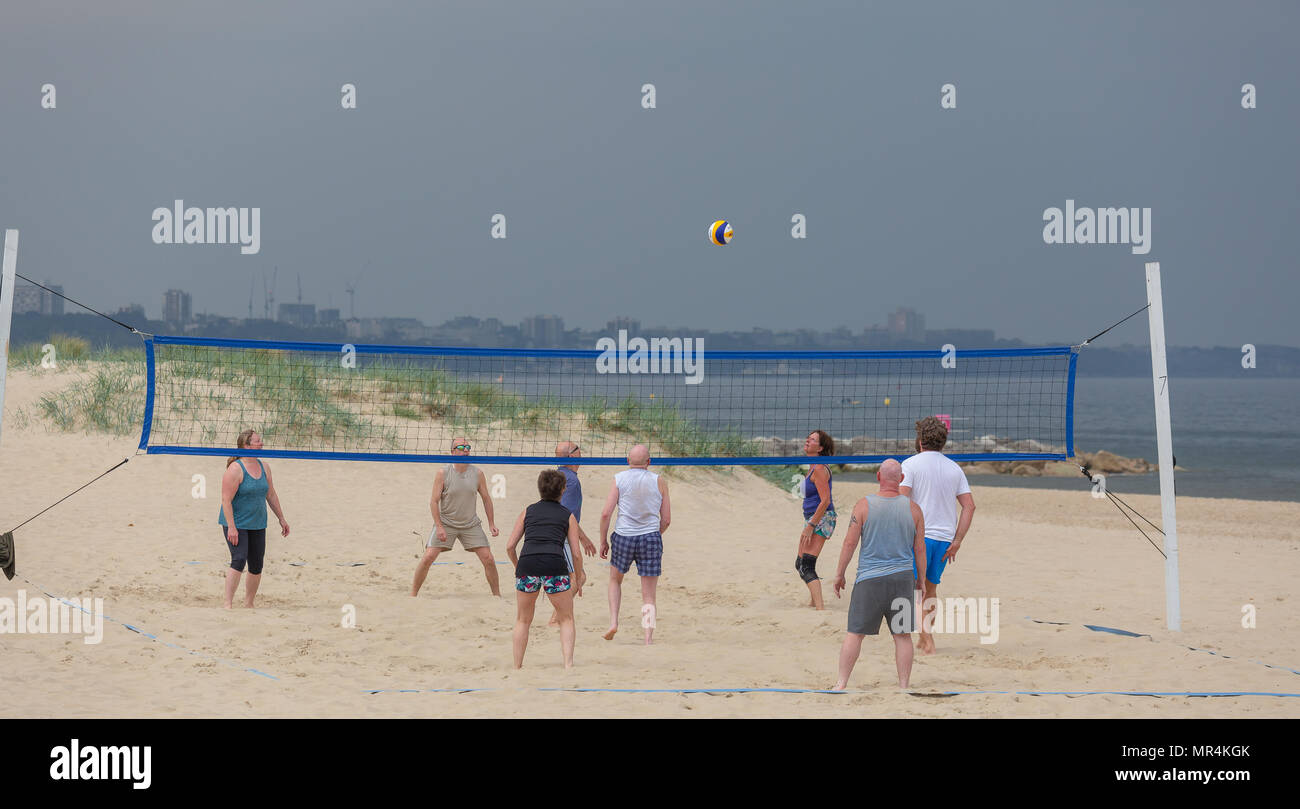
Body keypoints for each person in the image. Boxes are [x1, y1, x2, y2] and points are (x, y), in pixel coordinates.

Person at [831, 459, 926, 690]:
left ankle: (841, 684)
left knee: (855, 634)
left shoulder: (863, 505)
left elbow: (849, 543)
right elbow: (919, 548)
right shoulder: (914, 509)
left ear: (878, 476)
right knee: (902, 636)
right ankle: (903, 685)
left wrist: (839, 574)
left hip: (869, 579)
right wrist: (921, 580)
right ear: (901, 479)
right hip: (902, 578)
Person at [900, 416, 976, 655]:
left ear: (920, 440)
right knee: (930, 590)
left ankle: (928, 640)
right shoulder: (954, 468)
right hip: (944, 540)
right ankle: (924, 639)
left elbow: (901, 502)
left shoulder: (910, 465)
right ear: (943, 442)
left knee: (915, 591)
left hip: (919, 538)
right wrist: (958, 541)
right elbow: (969, 506)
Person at [506, 470, 585, 668]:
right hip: (554, 565)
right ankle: (568, 664)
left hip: (528, 564)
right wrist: (577, 577)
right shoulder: (568, 515)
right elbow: (576, 553)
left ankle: (517, 666)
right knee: (566, 618)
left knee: (523, 620)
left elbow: (509, 546)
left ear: (539, 488)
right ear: (564, 490)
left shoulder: (528, 511)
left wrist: (519, 567)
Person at [410, 437, 501, 597]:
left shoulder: (478, 473)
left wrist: (491, 523)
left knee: (488, 559)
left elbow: (486, 498)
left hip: (470, 524)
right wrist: (438, 526)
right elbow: (434, 501)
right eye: (462, 447)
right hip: (446, 523)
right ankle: (413, 594)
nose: (466, 450)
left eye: (468, 447)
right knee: (428, 557)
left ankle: (497, 595)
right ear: (453, 451)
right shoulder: (443, 473)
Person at [598, 444, 670, 645]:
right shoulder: (659, 481)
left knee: (615, 580)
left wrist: (603, 540)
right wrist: (654, 536)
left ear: (628, 461)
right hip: (650, 537)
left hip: (624, 536)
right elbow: (666, 520)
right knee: (649, 596)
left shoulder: (619, 478)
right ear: (649, 462)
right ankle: (648, 637)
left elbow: (606, 513)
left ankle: (613, 622)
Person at [218, 429, 290, 609]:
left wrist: (281, 518)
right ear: (246, 445)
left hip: (257, 522)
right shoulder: (235, 469)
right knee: (239, 559)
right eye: (257, 441)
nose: (261, 444)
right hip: (236, 522)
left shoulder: (264, 466)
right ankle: (228, 603)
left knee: (257, 564)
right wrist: (232, 528)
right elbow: (226, 500)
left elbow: (271, 494)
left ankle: (249, 603)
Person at [549, 441, 598, 626]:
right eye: (578, 449)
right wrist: (583, 539)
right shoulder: (571, 480)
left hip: (551, 533)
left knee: (566, 579)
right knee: (579, 577)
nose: (581, 451)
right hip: (561, 535)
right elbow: (565, 514)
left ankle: (556, 618)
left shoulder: (556, 475)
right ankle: (555, 620)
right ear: (571, 456)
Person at [795, 430, 836, 609]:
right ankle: (814, 603)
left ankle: (820, 608)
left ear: (819, 448)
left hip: (822, 518)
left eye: (811, 439)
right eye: (808, 437)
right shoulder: (813, 465)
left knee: (806, 566)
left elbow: (825, 500)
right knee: (800, 563)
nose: (807, 440)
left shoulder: (819, 468)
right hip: (813, 518)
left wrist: (811, 525)